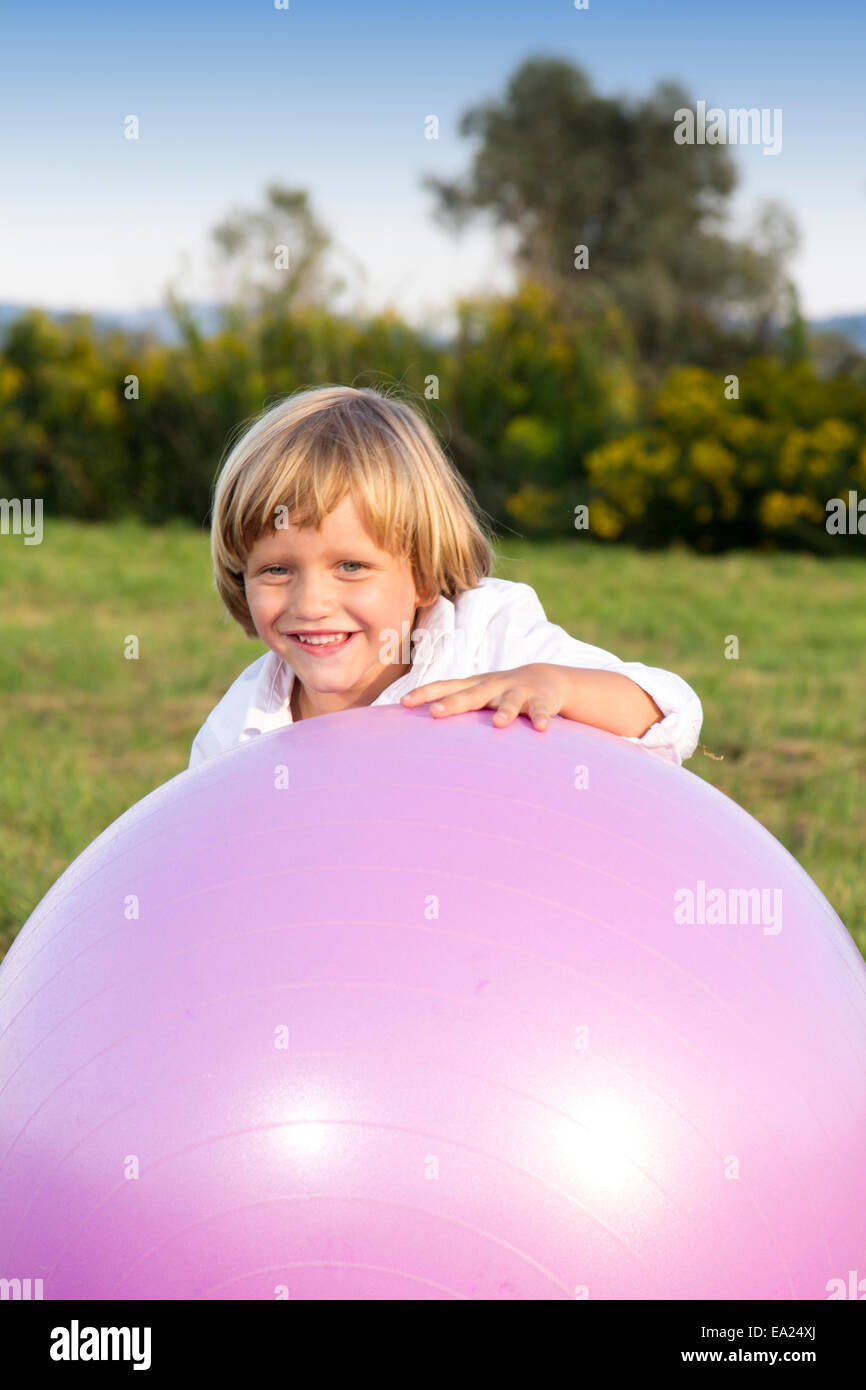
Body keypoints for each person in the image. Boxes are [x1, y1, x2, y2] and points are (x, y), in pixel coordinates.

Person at [188, 385, 702, 769]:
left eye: (351, 566)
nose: (311, 602)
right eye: (277, 570)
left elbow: (668, 716)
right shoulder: (238, 730)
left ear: (424, 574)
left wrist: (555, 683)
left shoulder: (486, 640)